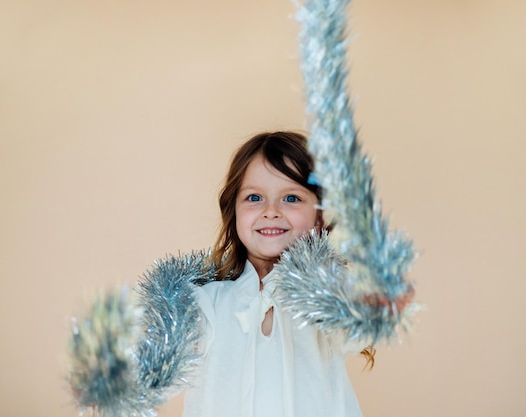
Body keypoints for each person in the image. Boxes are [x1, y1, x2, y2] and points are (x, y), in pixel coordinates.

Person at [68, 130, 414, 417]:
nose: (271, 211)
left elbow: (356, 320)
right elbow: (163, 364)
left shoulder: (326, 297)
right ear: (233, 211)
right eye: (254, 198)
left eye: (291, 198)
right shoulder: (206, 302)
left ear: (321, 216)